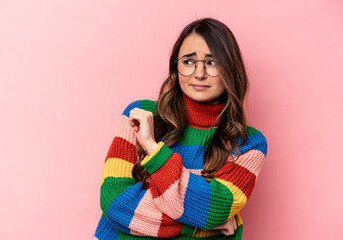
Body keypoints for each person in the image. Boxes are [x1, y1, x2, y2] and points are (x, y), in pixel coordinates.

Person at [93, 18, 267, 240]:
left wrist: (154, 151)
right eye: (188, 61)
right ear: (176, 66)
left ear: (230, 69)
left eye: (212, 63)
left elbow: (216, 209)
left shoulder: (249, 143)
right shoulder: (139, 116)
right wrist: (198, 225)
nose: (199, 73)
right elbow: (114, 202)